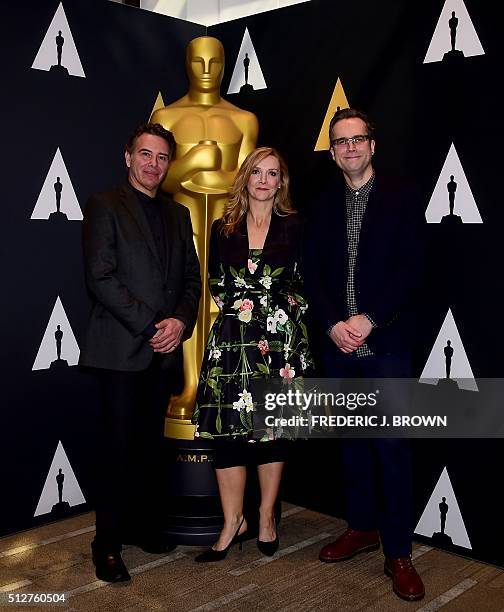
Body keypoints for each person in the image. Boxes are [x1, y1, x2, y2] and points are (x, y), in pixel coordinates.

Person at [305, 108, 426, 601]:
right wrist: (334, 324)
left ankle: (398, 552)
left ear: (372, 145)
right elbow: (310, 272)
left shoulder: (402, 197)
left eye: (357, 140)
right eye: (341, 142)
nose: (350, 148)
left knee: (392, 450)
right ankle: (360, 527)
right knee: (352, 446)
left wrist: (369, 319)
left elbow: (413, 270)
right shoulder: (321, 204)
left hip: (388, 345)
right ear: (332, 153)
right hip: (338, 346)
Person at [80, 123, 201, 582]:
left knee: (151, 449)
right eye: (145, 155)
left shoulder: (177, 214)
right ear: (127, 157)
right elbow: (101, 277)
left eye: (162, 157)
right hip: (120, 351)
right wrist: (153, 325)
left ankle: (142, 526)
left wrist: (180, 322)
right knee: (117, 451)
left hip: (163, 352)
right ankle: (106, 544)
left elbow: (191, 279)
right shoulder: (104, 205)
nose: (153, 164)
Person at [192, 147, 313, 562]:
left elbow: (303, 283)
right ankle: (232, 523)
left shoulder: (295, 226)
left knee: (272, 431)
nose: (264, 180)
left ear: (281, 182)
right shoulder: (222, 228)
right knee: (226, 432)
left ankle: (264, 518)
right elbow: (215, 282)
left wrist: (278, 313)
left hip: (278, 342)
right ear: (245, 177)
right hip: (231, 339)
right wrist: (243, 310)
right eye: (257, 172)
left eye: (273, 173)